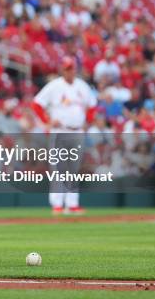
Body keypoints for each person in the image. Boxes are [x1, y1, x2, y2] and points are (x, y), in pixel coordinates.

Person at [32, 56, 97, 215]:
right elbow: (36, 104)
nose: (69, 71)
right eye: (67, 68)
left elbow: (93, 106)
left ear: (75, 69)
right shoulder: (54, 86)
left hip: (77, 131)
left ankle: (72, 204)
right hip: (60, 131)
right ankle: (57, 204)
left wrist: (87, 121)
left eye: (72, 68)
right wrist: (47, 120)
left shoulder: (82, 86)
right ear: (62, 70)